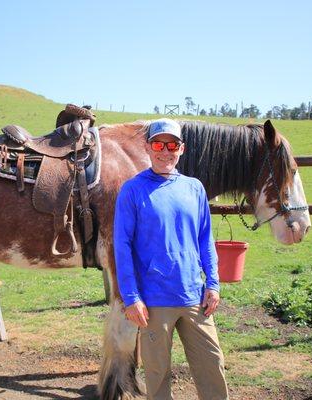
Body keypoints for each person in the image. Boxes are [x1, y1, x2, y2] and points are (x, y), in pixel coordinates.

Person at [113, 118, 228, 400]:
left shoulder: (194, 188)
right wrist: (131, 297)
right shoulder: (132, 190)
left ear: (182, 149)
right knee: (157, 373)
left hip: (193, 297)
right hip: (153, 302)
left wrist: (212, 283)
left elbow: (205, 239)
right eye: (158, 144)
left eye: (172, 144)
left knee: (212, 365)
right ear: (148, 147)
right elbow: (122, 246)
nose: (165, 151)